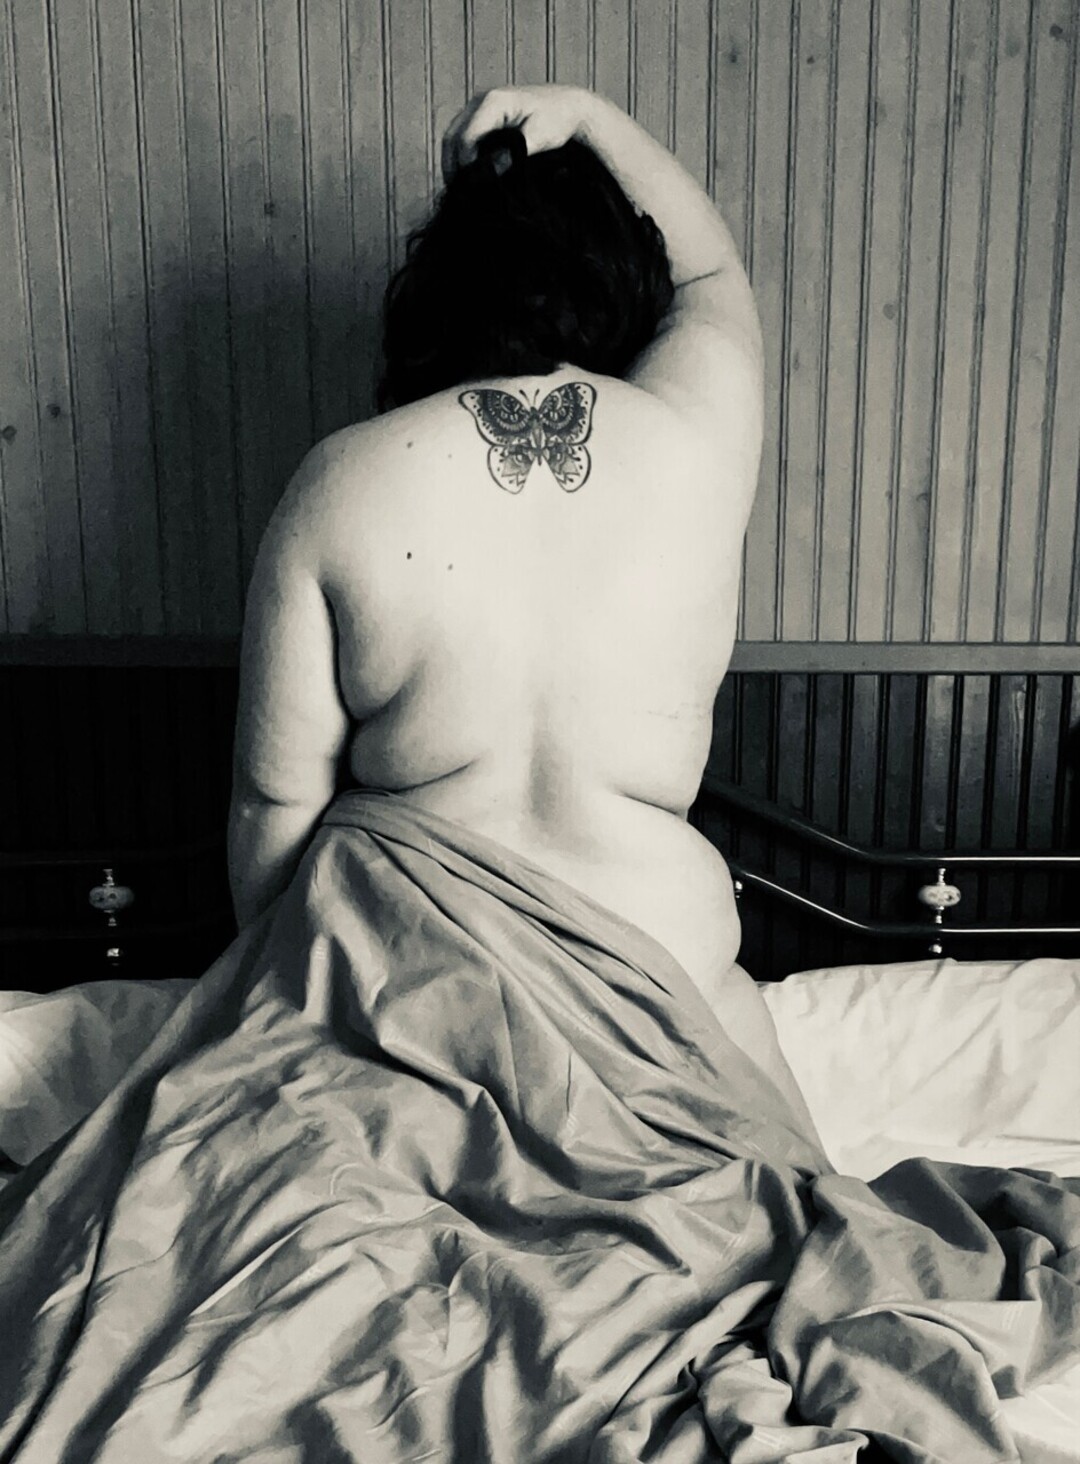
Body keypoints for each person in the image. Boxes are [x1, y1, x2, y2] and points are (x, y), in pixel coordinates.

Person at [227, 82, 815, 1131]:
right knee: (783, 1178)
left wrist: (284, 1016)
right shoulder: (695, 443)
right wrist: (584, 114)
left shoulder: (337, 484)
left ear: (433, 303)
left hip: (416, 1024)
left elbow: (273, 811)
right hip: (665, 1010)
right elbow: (711, 272)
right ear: (623, 288)